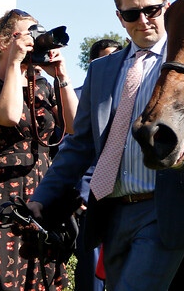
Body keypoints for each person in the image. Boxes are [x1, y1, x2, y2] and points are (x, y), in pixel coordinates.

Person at [28, 0, 184, 290]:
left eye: (151, 10)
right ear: (120, 17)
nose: (143, 20)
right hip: (112, 213)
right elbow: (81, 143)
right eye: (132, 13)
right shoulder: (102, 70)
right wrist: (43, 197)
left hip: (166, 208)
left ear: (166, 7)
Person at [0, 8, 79, 290]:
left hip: (44, 193)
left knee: (41, 276)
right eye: (30, 34)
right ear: (6, 41)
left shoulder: (43, 86)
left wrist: (61, 77)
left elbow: (77, 127)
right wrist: (15, 64)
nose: (36, 40)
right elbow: (10, 115)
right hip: (2, 194)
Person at [71, 39, 122, 291]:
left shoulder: (132, 95)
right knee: (91, 271)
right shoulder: (76, 97)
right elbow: (73, 147)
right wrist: (80, 191)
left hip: (123, 196)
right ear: (94, 63)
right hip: (88, 198)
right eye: (107, 57)